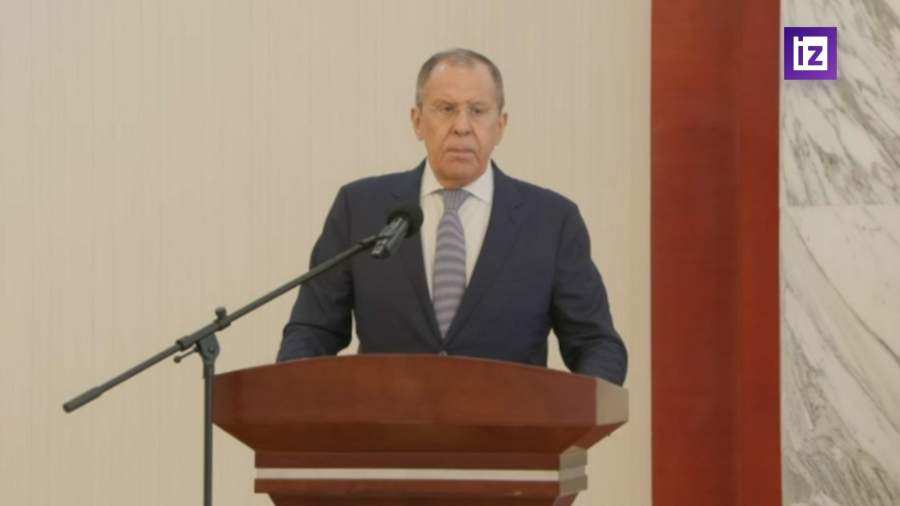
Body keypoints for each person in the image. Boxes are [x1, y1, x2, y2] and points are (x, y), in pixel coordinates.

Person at [277, 48, 627, 385]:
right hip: (386, 423)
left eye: (478, 110)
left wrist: (580, 411)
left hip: (511, 425)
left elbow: (596, 343)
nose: (462, 126)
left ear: (501, 125)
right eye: (445, 109)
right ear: (417, 121)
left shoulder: (552, 221)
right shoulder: (360, 207)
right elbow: (312, 331)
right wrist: (289, 398)